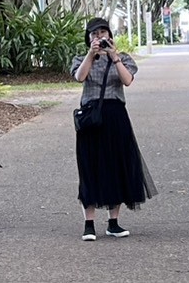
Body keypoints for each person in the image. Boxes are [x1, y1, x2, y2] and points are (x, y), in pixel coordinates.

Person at [72, 16, 155, 240]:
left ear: (110, 35)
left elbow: (127, 81)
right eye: (94, 34)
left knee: (116, 165)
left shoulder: (123, 59)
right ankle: (88, 224)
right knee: (90, 168)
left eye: (103, 32)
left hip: (116, 116)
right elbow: (80, 77)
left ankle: (113, 222)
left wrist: (114, 56)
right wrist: (92, 54)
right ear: (88, 38)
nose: (99, 37)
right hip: (90, 119)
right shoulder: (81, 58)